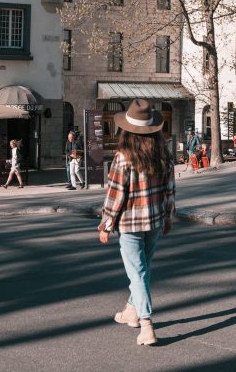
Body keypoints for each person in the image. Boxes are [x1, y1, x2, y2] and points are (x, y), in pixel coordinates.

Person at [98, 99, 175, 347]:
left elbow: (115, 194)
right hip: (154, 220)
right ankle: (131, 310)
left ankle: (146, 324)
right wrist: (168, 216)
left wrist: (106, 224)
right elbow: (169, 189)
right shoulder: (163, 154)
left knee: (138, 272)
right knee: (143, 271)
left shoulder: (123, 157)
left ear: (127, 130)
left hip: (130, 223)